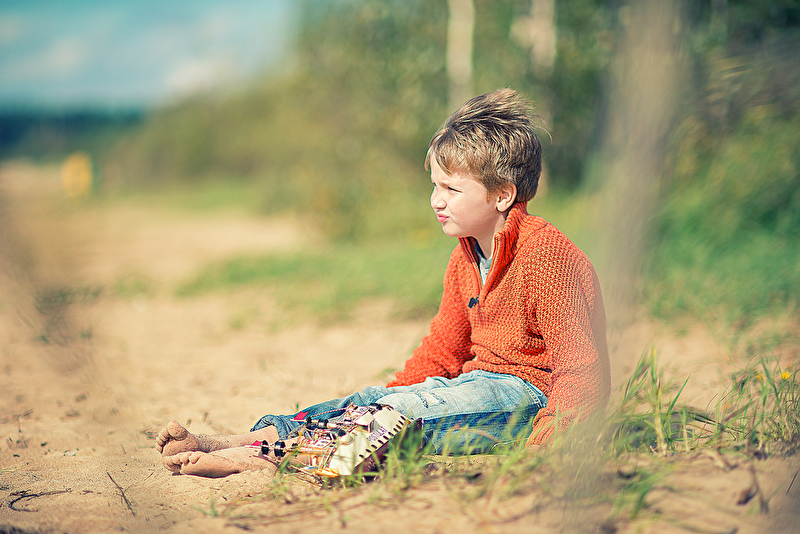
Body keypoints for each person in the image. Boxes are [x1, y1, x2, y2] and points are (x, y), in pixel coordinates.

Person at [156, 88, 611, 478]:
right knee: (370, 402)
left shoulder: (546, 255)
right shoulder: (467, 254)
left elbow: (581, 370)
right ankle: (242, 440)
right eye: (435, 186)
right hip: (475, 386)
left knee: (395, 419)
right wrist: (387, 395)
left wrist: (548, 447)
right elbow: (444, 350)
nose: (436, 201)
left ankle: (270, 460)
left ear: (503, 195)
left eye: (452, 190)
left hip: (526, 401)